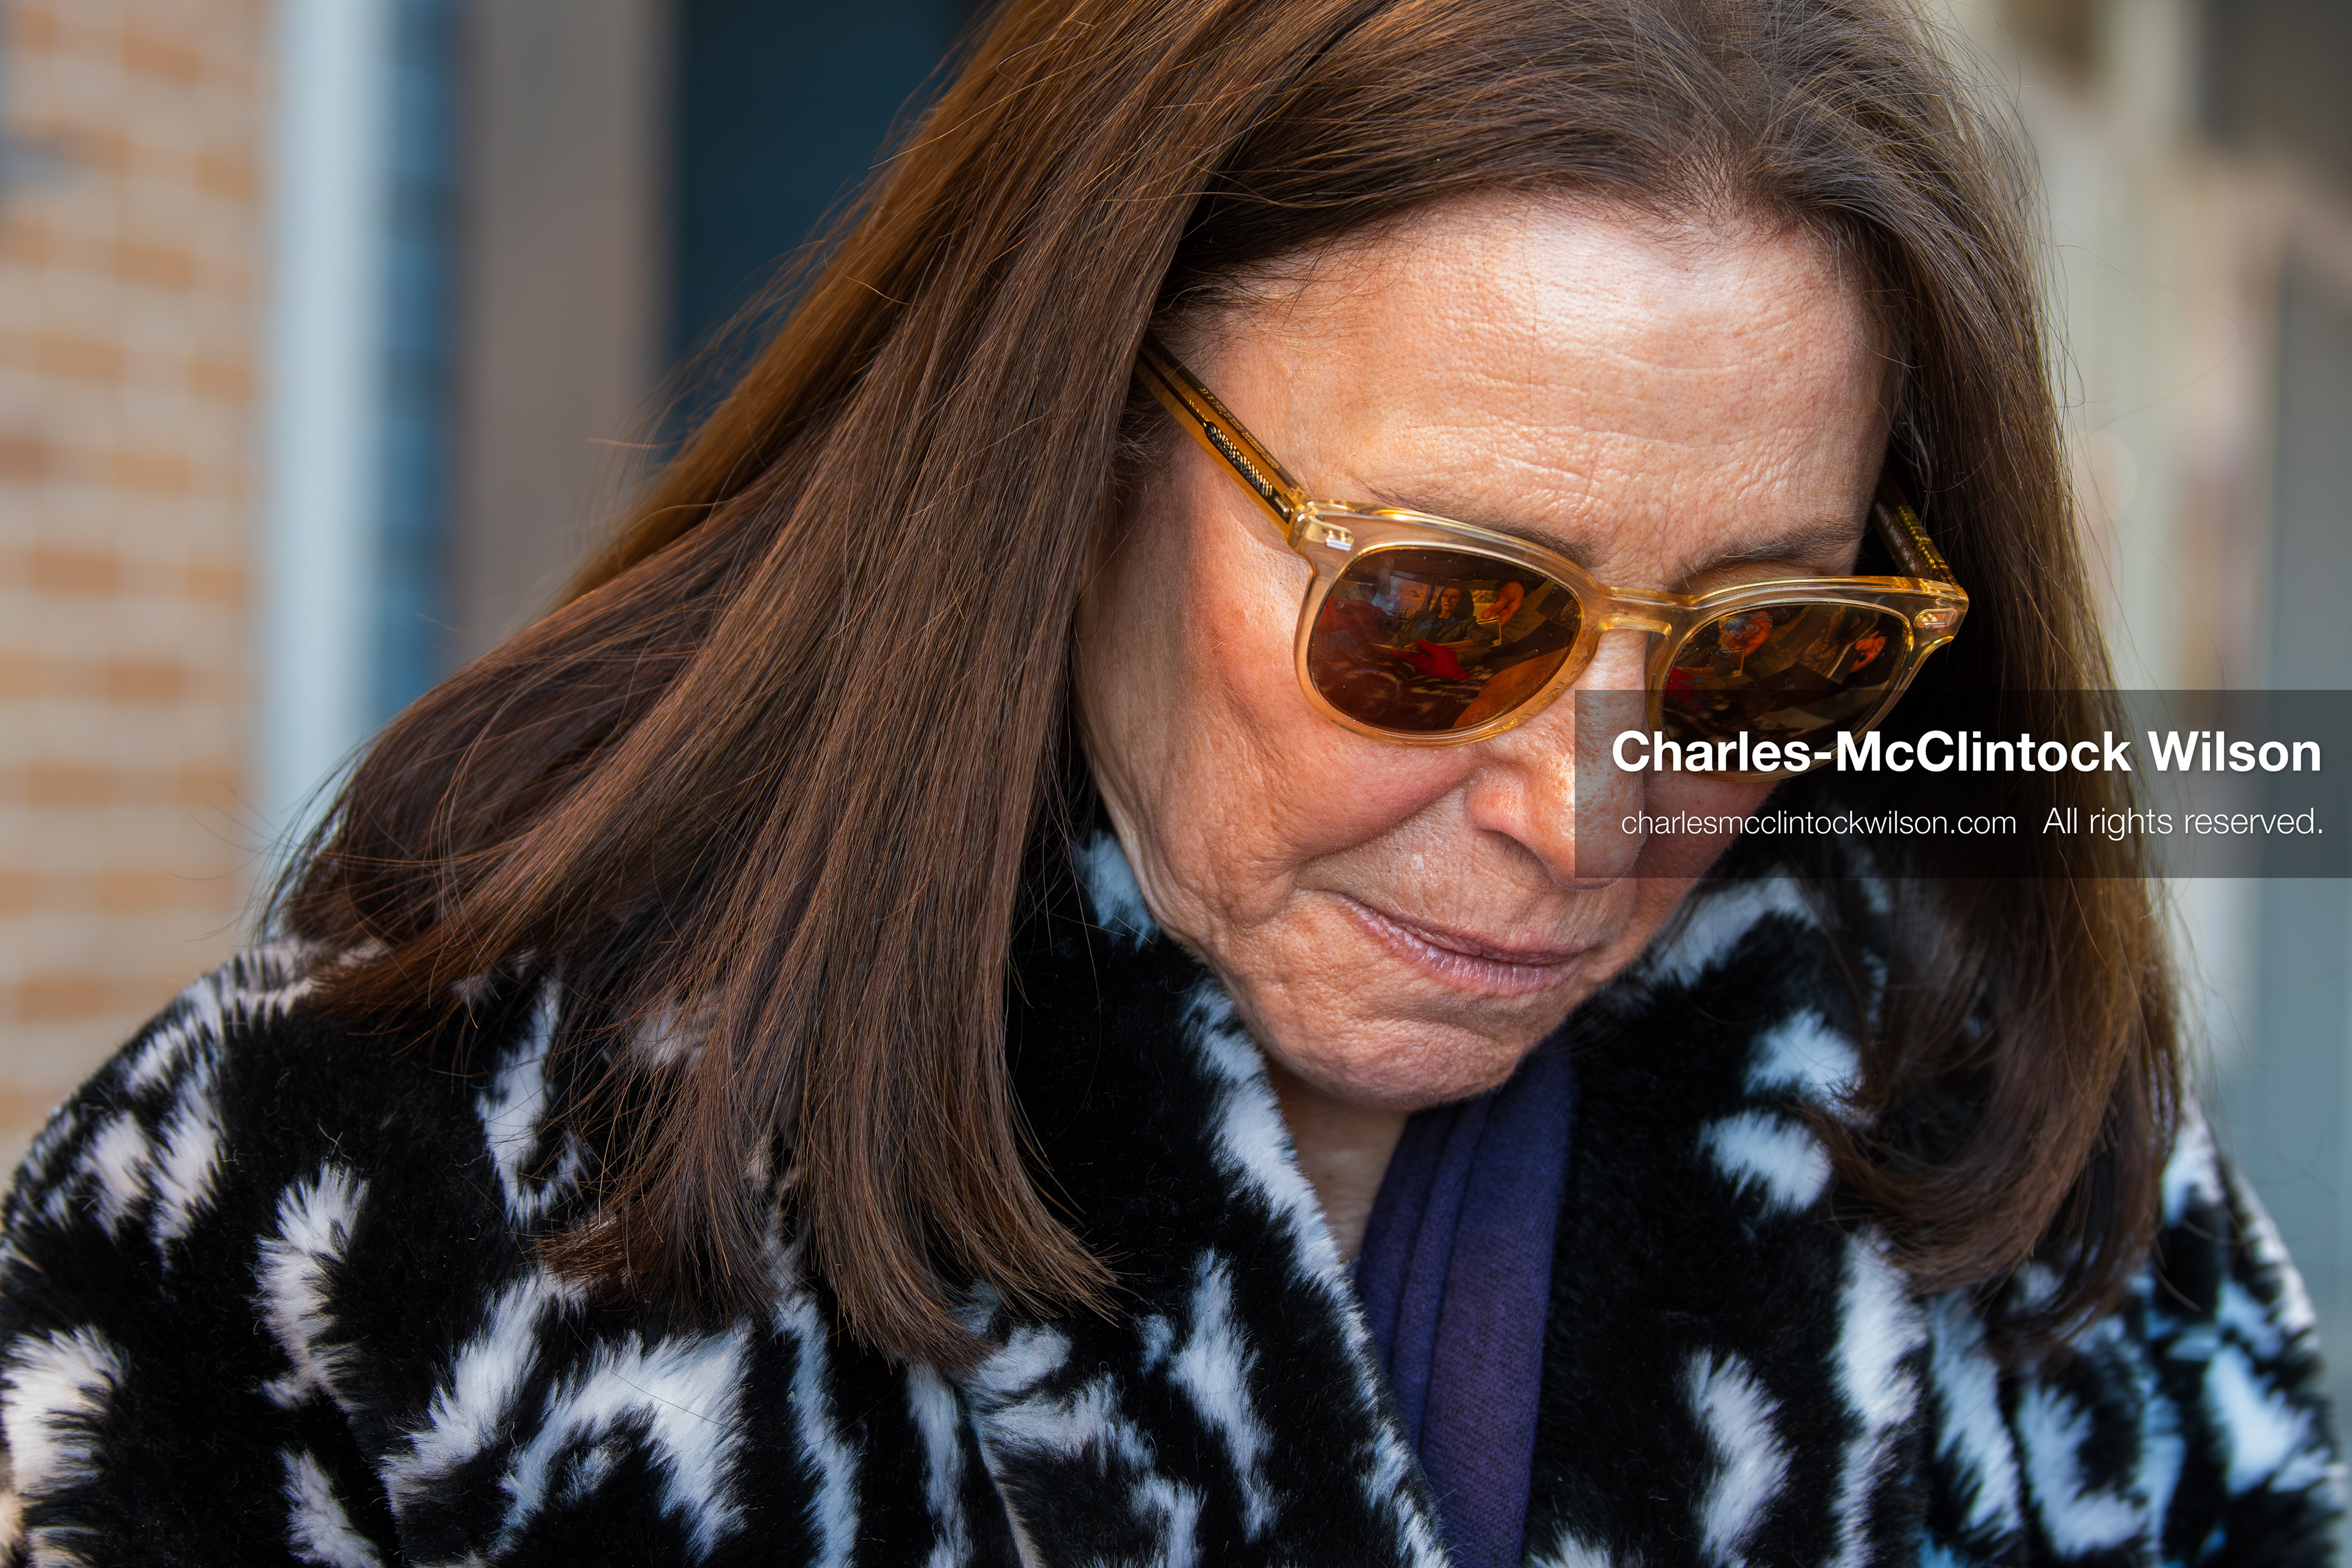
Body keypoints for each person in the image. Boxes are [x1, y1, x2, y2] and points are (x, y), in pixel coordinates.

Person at [0, 0, 2332, 1562]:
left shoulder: (2031, 1186)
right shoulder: (365, 1221)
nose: (1594, 809)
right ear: (1079, 445)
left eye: (1759, 649)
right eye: (1443, 613)